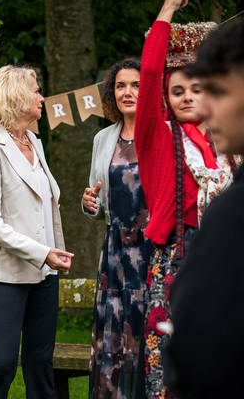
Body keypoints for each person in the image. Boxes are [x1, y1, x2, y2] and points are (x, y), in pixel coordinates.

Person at [134, 0, 236, 399]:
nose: (187, 97)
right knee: (173, 365)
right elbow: (152, 70)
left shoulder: (226, 142)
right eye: (177, 91)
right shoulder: (157, 136)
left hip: (226, 256)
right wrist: (168, 10)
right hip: (176, 259)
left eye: (197, 88)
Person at [0, 65, 74, 398]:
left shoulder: (34, 142)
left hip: (45, 273)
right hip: (6, 274)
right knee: (1, 363)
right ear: (14, 96)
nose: (41, 97)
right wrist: (42, 252)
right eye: (35, 90)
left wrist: (52, 253)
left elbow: (42, 208)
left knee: (40, 361)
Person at [163, 17, 244, 399]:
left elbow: (201, 353)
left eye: (218, 91)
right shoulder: (166, 139)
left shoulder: (234, 213)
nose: (204, 107)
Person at [82, 57, 153, 398]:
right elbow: (96, 202)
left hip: (151, 249)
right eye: (121, 85)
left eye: (136, 85)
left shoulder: (161, 133)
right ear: (112, 93)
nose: (128, 92)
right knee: (111, 337)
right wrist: (89, 204)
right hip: (114, 253)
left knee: (145, 331)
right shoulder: (102, 139)